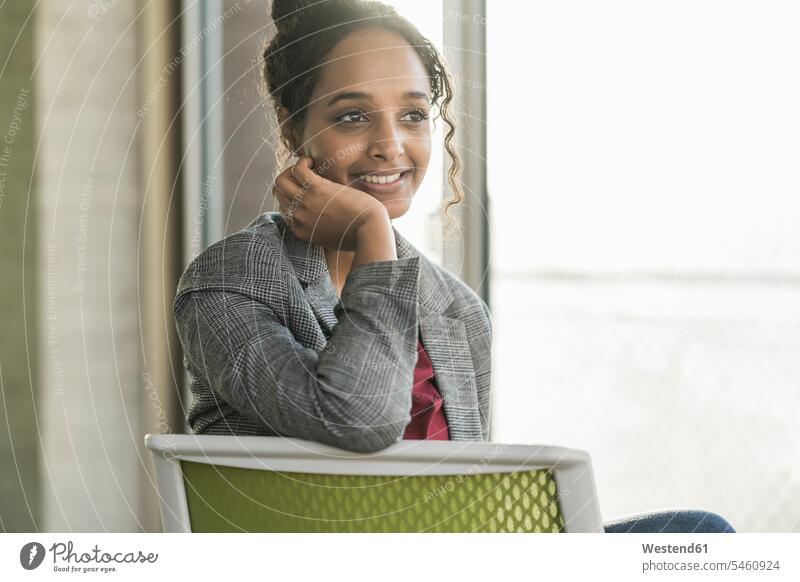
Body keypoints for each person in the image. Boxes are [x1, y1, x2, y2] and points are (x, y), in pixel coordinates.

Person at [172, 0, 735, 534]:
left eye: (413, 115)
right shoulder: (231, 282)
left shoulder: (456, 310)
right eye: (352, 117)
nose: (390, 146)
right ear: (293, 127)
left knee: (700, 537)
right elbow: (357, 418)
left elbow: (472, 496)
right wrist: (371, 232)